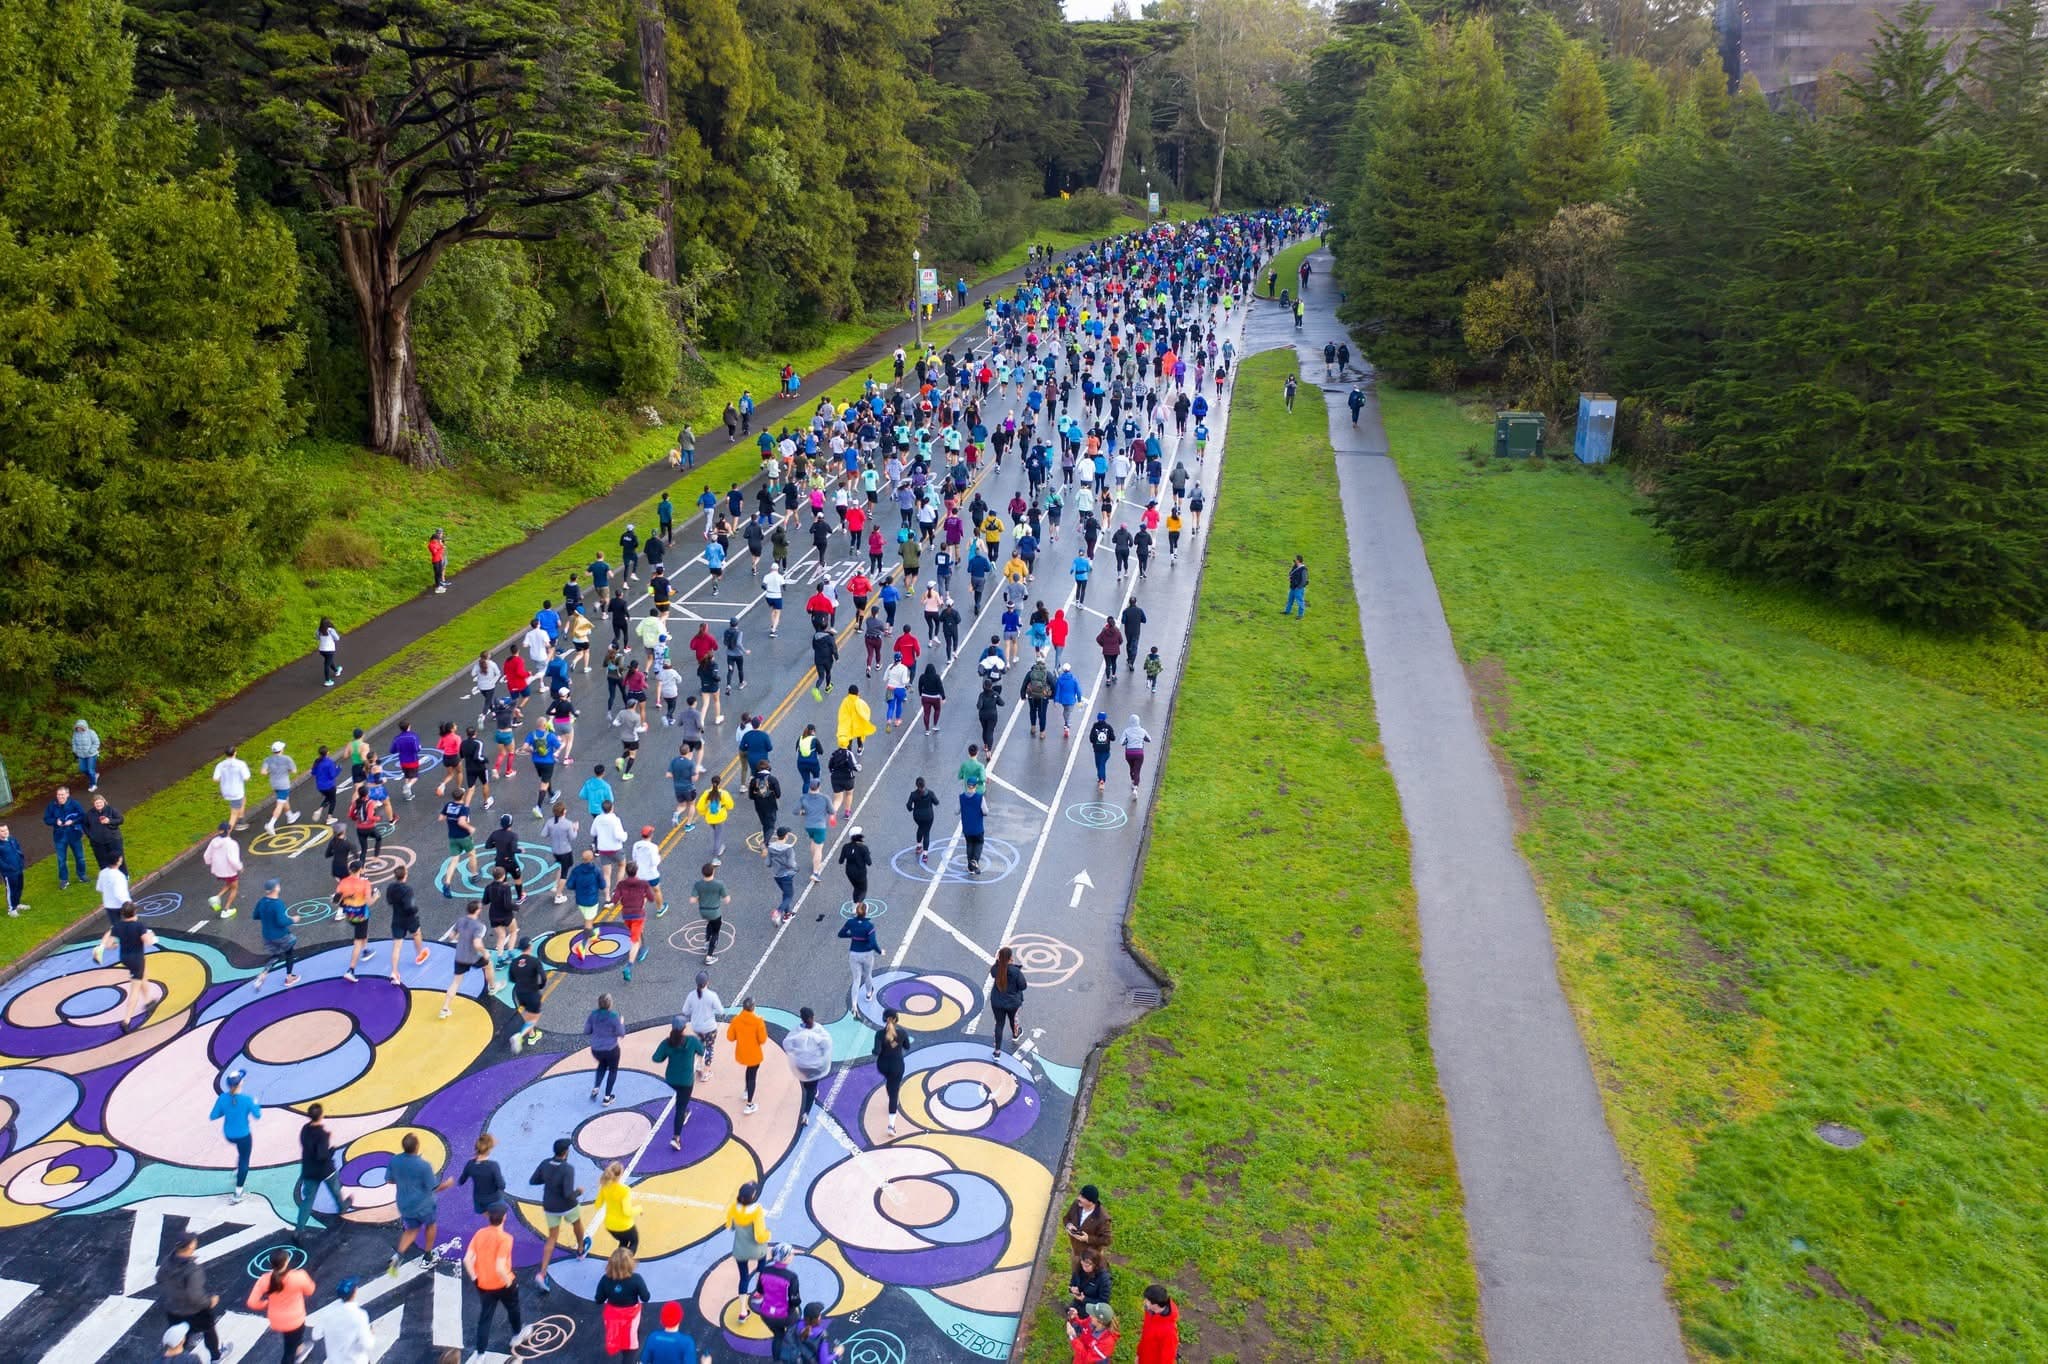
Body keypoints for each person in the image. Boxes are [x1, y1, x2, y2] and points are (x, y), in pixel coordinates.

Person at [466, 1204, 536, 1354]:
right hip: (502, 1284)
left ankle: (480, 1354)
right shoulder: (505, 1239)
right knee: (513, 1308)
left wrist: (475, 1279)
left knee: (485, 1319)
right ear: (504, 1218)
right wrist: (509, 1282)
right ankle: (517, 1334)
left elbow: (467, 1260)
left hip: (483, 1284)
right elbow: (500, 1266)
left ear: (489, 1218)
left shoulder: (479, 1234)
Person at [385, 1131, 455, 1277]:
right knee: (430, 1226)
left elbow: (389, 1180)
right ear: (416, 1147)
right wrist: (447, 1184)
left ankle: (398, 1256)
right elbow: (434, 1187)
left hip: (404, 1204)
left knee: (411, 1230)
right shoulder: (423, 1166)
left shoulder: (395, 1161)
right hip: (424, 1205)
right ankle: (428, 1257)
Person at [531, 1136, 588, 1292]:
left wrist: (549, 1179)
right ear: (565, 1152)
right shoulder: (567, 1169)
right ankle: (581, 1250)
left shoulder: (545, 1164)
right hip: (567, 1205)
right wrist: (579, 1192)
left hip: (550, 1205)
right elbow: (568, 1194)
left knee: (552, 1237)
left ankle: (542, 1274)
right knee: (577, 1223)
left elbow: (533, 1181)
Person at [157, 1233, 224, 1362]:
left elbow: (159, 1278)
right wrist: (210, 1302)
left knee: (180, 1337)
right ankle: (215, 1357)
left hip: (173, 1310)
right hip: (196, 1311)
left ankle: (177, 1358)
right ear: (190, 1247)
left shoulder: (167, 1262)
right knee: (209, 1331)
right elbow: (196, 1297)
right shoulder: (193, 1270)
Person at [91, 902, 156, 1032]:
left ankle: (149, 1000)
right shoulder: (139, 926)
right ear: (135, 912)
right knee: (135, 989)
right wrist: (151, 936)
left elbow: (110, 944)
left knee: (143, 973)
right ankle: (126, 1020)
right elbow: (148, 942)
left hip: (125, 958)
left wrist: (111, 945)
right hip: (136, 959)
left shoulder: (118, 926)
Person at [291, 1103, 350, 1242]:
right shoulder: (322, 1134)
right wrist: (331, 1150)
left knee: (308, 1199)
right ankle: (342, 1207)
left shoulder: (305, 1129)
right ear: (321, 1115)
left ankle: (299, 1230)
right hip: (324, 1169)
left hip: (309, 1169)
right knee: (335, 1188)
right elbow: (322, 1156)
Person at [245, 1248, 314, 1363]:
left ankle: (300, 1349)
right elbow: (310, 1290)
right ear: (286, 1261)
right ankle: (296, 1353)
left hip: (276, 1320)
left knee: (291, 1338)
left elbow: (252, 1302)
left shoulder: (264, 1280)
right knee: (289, 1351)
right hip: (295, 1319)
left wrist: (266, 1303)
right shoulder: (299, 1276)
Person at [652, 1020, 704, 1149]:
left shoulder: (667, 1042)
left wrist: (667, 1054)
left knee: (681, 1101)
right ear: (684, 1029)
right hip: (686, 1081)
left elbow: (656, 1058)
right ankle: (676, 1137)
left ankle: (685, 1111)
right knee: (680, 1107)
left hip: (671, 1079)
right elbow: (702, 1051)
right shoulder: (691, 1041)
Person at [438, 899, 494, 1019]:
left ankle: (445, 1008)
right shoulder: (479, 926)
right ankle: (493, 987)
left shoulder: (460, 921)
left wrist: (462, 937)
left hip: (460, 956)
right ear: (477, 911)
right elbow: (477, 944)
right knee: (488, 965)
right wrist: (485, 952)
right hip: (473, 957)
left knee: (456, 982)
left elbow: (452, 936)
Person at [594, 1247, 651, 1360]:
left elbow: (599, 1299)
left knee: (617, 1338)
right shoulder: (636, 1279)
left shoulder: (605, 1279)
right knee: (630, 1345)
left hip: (613, 1317)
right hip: (631, 1317)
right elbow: (646, 1297)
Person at [784, 1008, 833, 1127]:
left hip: (802, 1066)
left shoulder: (797, 1032)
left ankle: (810, 1093)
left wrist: (798, 1054)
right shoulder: (818, 1030)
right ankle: (806, 1113)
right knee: (812, 1089)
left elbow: (788, 1044)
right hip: (815, 1066)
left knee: (807, 1086)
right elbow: (826, 1044)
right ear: (813, 1017)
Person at [750, 1245, 802, 1352]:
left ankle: (777, 1360)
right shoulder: (791, 1276)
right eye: (791, 1253)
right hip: (785, 1315)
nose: (793, 1255)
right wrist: (793, 1308)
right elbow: (794, 1300)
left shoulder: (764, 1271)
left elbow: (759, 1291)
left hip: (766, 1314)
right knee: (797, 1328)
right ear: (785, 1257)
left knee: (778, 1336)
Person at [251, 877, 300, 991]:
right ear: (275, 889)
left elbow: (255, 915)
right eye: (278, 885)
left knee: (276, 956)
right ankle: (289, 977)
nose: (279, 886)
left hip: (267, 936)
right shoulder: (278, 904)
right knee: (289, 953)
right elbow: (281, 921)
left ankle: (263, 974)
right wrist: (293, 919)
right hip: (281, 935)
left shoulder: (262, 901)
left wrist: (267, 917)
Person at [875, 1009, 912, 1136]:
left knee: (890, 1084)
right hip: (897, 1066)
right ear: (896, 1019)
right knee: (894, 1093)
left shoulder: (879, 1034)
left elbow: (877, 1051)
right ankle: (891, 1125)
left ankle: (890, 1092)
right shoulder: (902, 1033)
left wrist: (888, 1044)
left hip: (883, 1066)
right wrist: (896, 1043)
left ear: (884, 1019)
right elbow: (907, 1046)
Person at [44, 784, 87, 889]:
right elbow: (46, 819)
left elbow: (83, 815)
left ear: (67, 794)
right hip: (59, 836)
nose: (60, 797)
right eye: (58, 795)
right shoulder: (52, 805)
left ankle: (82, 875)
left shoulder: (74, 804)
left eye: (62, 795)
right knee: (61, 859)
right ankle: (64, 880)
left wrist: (72, 821)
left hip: (74, 834)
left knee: (80, 857)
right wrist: (55, 821)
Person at [1062, 1184, 1113, 1271]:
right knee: (1075, 1275)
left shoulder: (1103, 1219)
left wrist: (1087, 1238)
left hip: (1090, 1257)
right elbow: (1067, 1218)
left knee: (1090, 1279)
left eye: (1082, 1197)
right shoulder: (1076, 1205)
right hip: (1076, 1251)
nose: (1078, 1198)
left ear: (1091, 1202)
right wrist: (1068, 1225)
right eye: (1080, 1195)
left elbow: (1107, 1240)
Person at [594, 1160, 642, 1252]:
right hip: (624, 1226)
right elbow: (627, 1212)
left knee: (623, 1241)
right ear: (621, 1174)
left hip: (610, 1226)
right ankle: (623, 1264)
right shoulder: (624, 1190)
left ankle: (617, 1261)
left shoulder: (605, 1187)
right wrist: (639, 1209)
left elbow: (597, 1205)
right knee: (634, 1242)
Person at [587, 992, 625, 1105]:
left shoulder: (593, 1014)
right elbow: (621, 1033)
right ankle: (607, 1097)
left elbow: (587, 1031)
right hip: (611, 1049)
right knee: (613, 1070)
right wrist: (621, 1023)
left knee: (602, 1064)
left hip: (596, 1049)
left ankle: (596, 1087)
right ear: (610, 1004)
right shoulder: (614, 1017)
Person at [839, 900, 881, 1001]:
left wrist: (852, 935)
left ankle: (854, 1003)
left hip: (854, 954)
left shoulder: (850, 922)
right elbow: (872, 943)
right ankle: (868, 993)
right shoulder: (869, 926)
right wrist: (879, 951)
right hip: (866, 954)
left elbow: (841, 934)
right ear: (866, 912)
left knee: (856, 979)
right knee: (867, 975)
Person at [988, 945, 1027, 1056]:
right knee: (1013, 1019)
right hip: (1013, 1002)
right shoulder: (1015, 972)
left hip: (997, 1002)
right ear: (1010, 958)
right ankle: (1016, 1033)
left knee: (999, 1024)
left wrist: (997, 961)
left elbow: (993, 971)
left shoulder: (996, 969)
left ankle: (997, 1051)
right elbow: (1023, 986)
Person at [459, 1133, 507, 1217]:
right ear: (489, 1149)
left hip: (479, 1201)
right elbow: (502, 1185)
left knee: (488, 1217)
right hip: (494, 1200)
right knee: (500, 1217)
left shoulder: (470, 1164)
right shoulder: (493, 1166)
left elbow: (461, 1181)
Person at [692, 864, 729, 964]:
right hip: (715, 912)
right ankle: (709, 956)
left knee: (710, 924)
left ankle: (706, 943)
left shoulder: (698, 884)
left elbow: (692, 900)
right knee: (716, 933)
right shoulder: (719, 884)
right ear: (713, 872)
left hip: (703, 911)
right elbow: (727, 899)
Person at [1137, 1284, 1181, 1363]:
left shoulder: (1169, 1332)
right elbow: (1144, 1336)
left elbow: (1167, 1359)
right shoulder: (1150, 1312)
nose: (1144, 1302)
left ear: (1155, 1305)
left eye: (1147, 1300)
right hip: (1144, 1357)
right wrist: (1138, 1355)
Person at [838, 827, 871, 914]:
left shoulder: (845, 847)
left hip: (849, 872)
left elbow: (840, 861)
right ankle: (859, 906)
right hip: (860, 872)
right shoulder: (864, 848)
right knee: (863, 889)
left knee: (856, 888)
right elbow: (869, 862)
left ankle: (854, 905)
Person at [1122, 714, 1154, 796]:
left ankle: (1133, 780)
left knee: (1132, 768)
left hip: (1129, 753)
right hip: (1139, 753)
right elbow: (1149, 739)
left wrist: (1128, 741)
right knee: (1137, 770)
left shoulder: (1126, 731)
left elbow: (1121, 742)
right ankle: (1135, 787)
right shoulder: (1142, 731)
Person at [0, 822, 25, 917]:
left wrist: (21, 861)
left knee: (19, 887)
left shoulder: (12, 839)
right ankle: (11, 909)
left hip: (19, 868)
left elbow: (18, 850)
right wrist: (8, 868)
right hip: (9, 873)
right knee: (11, 889)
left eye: (6, 830)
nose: (5, 832)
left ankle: (17, 904)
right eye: (2, 831)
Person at [71, 718, 101, 791]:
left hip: (91, 755)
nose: (79, 729)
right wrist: (75, 750)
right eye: (77, 727)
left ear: (84, 727)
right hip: (81, 755)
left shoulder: (91, 732)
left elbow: (97, 742)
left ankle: (93, 785)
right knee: (82, 769)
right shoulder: (75, 734)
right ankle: (94, 776)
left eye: (80, 727)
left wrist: (91, 751)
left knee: (90, 770)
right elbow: (74, 743)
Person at [317, 616, 343, 686]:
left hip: (322, 650)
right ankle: (327, 681)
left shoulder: (319, 630)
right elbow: (337, 638)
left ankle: (336, 670)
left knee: (329, 660)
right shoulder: (331, 630)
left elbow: (317, 637)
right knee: (327, 664)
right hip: (330, 650)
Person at [429, 528, 449, 592]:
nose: (438, 540)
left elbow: (440, 548)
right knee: (437, 574)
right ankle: (437, 587)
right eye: (437, 539)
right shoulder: (431, 545)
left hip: (439, 559)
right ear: (434, 539)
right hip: (436, 560)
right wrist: (441, 548)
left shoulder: (436, 543)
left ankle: (440, 585)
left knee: (439, 573)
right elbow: (435, 553)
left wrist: (441, 547)